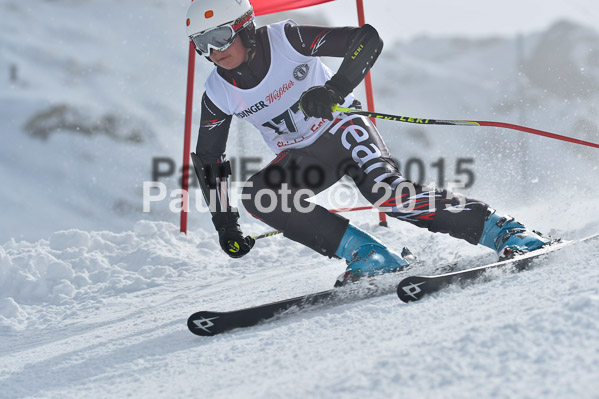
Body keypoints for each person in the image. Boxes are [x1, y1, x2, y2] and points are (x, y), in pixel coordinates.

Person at [186, 0, 551, 285]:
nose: (213, 51)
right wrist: (224, 223)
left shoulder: (285, 39)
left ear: (244, 27)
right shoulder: (218, 91)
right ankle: (369, 255)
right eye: (201, 44)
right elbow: (209, 158)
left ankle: (504, 229)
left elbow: (366, 40)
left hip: (344, 130)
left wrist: (333, 90)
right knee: (260, 194)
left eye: (219, 37)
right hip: (303, 156)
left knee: (387, 193)